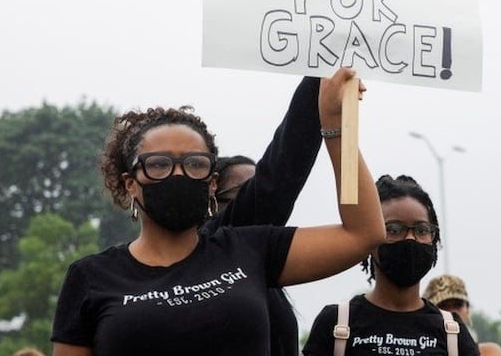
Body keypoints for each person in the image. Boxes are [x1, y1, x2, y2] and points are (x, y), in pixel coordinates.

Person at [50, 68, 385, 356]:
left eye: (195, 164)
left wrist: (336, 128)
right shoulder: (90, 277)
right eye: (159, 164)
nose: (178, 174)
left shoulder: (250, 250)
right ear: (130, 184)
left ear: (212, 183)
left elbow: (363, 233)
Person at [201, 76, 324, 356]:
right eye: (241, 196)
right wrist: (318, 81)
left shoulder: (267, 273)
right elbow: (279, 176)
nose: (253, 203)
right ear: (211, 202)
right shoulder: (210, 251)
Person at [302, 175, 479, 356]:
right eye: (394, 229)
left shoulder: (453, 334)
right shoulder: (336, 323)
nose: (410, 239)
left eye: (422, 230)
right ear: (370, 238)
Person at [423, 274, 501, 356]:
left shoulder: (489, 352)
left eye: (458, 305)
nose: (452, 312)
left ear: (467, 309)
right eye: (443, 306)